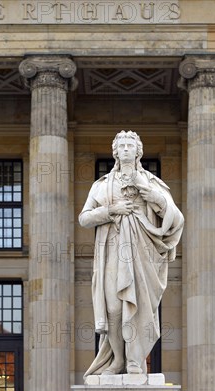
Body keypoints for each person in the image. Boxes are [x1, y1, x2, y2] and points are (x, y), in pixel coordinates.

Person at [79, 130, 184, 376]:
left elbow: (176, 218)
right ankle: (117, 360)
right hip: (113, 250)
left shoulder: (152, 183)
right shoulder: (102, 185)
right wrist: (110, 210)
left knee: (140, 309)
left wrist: (155, 198)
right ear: (115, 151)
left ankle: (135, 360)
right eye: (122, 145)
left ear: (138, 151)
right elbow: (84, 218)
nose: (126, 149)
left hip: (142, 252)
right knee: (114, 308)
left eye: (130, 145)